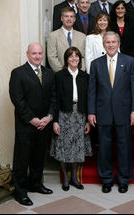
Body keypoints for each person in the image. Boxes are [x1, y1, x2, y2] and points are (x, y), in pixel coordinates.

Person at [87, 31, 134, 194]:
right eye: (108, 42)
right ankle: (107, 179)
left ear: (119, 43)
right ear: (104, 44)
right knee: (104, 148)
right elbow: (92, 91)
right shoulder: (96, 64)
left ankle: (124, 180)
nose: (111, 45)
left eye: (114, 42)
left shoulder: (129, 61)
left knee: (124, 148)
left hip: (124, 112)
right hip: (103, 112)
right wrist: (91, 112)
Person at [9, 43, 57, 206]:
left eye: (40, 53)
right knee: (22, 159)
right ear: (27, 54)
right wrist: (32, 119)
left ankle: (36, 184)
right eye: (34, 53)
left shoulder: (49, 73)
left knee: (38, 157)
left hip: (44, 124)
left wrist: (49, 117)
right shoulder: (18, 73)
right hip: (26, 125)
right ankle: (20, 191)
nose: (37, 56)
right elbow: (18, 100)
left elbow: (53, 98)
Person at [50, 47, 92, 191]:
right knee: (63, 146)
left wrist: (87, 120)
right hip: (64, 114)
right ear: (66, 59)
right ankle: (66, 179)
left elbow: (88, 99)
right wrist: (55, 120)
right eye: (71, 56)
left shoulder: (85, 76)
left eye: (76, 56)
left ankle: (74, 177)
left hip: (79, 115)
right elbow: (54, 99)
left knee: (76, 147)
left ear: (80, 59)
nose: (74, 58)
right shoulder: (59, 76)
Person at [47, 7, 86, 72]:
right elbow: (52, 57)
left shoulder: (82, 36)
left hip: (78, 75)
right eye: (66, 16)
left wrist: (80, 71)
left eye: (71, 16)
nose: (69, 19)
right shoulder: (53, 36)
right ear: (62, 18)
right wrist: (62, 72)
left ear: (74, 19)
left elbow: (84, 57)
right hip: (60, 75)